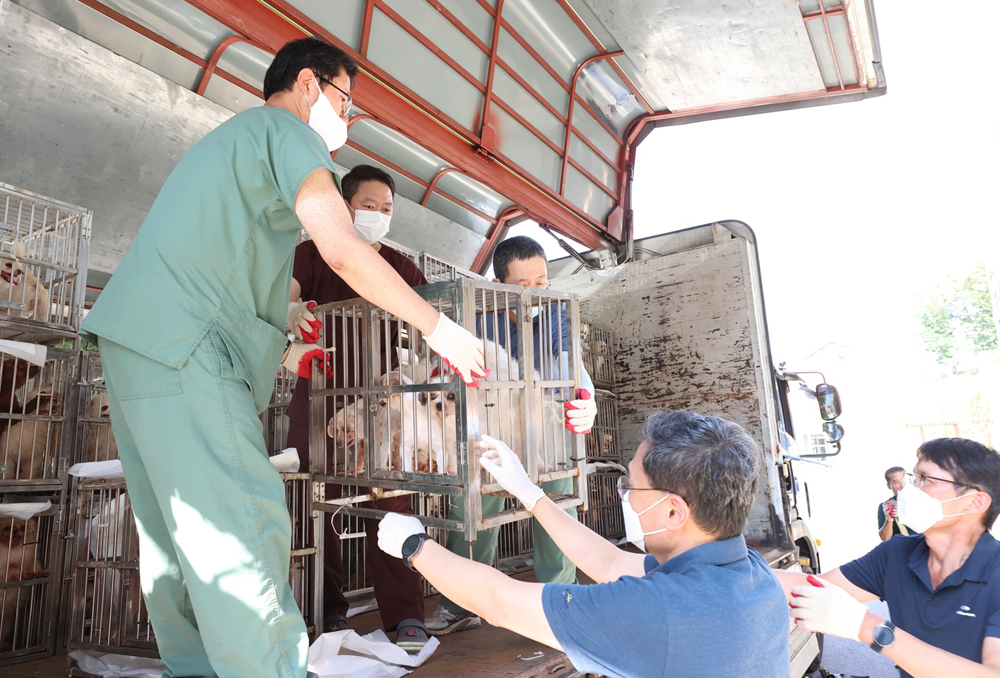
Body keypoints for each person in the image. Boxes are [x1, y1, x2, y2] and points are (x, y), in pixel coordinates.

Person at [79, 37, 485, 678]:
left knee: (176, 535)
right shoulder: (287, 130)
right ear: (307, 85)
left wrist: (286, 349)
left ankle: (200, 667)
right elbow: (344, 249)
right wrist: (441, 330)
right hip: (188, 346)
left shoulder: (231, 144)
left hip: (137, 344)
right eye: (344, 101)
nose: (345, 120)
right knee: (246, 518)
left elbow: (224, 267)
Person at [378, 410, 791, 678]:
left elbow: (498, 601)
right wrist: (528, 492)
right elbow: (609, 563)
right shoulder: (750, 573)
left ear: (673, 512)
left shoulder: (656, 610)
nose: (623, 494)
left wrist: (414, 545)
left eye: (632, 486)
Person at [284, 164, 430, 650]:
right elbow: (285, 297)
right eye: (369, 207)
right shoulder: (310, 253)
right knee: (315, 512)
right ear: (344, 207)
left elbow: (427, 327)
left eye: (386, 210)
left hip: (380, 412)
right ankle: (328, 612)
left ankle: (405, 616)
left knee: (392, 509)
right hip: (316, 404)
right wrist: (289, 311)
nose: (378, 216)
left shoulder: (402, 267)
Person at [424, 235, 599, 635]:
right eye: (523, 285)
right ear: (500, 283)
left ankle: (562, 600)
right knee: (473, 508)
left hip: (544, 427)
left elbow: (572, 360)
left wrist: (585, 396)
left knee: (556, 502)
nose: (535, 292)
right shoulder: (477, 314)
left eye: (541, 281)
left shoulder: (555, 311)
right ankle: (461, 604)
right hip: (492, 427)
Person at [782, 438, 1000, 678]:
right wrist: (737, 561)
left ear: (974, 502)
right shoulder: (897, 554)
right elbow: (810, 587)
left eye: (926, 479)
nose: (908, 490)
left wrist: (866, 626)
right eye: (913, 477)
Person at [879, 465, 915, 540]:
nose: (902, 486)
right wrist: (889, 520)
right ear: (889, 486)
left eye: (905, 481)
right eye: (897, 482)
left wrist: (904, 516)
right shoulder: (885, 506)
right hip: (901, 549)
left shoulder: (921, 500)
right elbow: (885, 539)